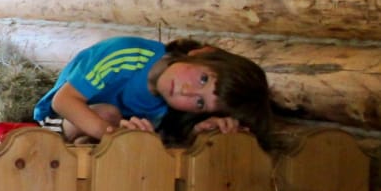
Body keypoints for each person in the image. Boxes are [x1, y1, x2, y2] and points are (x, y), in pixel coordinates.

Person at [33, 36, 272, 144]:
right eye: (202, 79)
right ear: (202, 53)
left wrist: (200, 132)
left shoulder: (167, 108)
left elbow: (163, 140)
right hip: (56, 120)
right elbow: (63, 101)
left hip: (111, 134)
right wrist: (114, 136)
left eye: (200, 103)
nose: (187, 92)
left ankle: (88, 147)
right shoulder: (126, 54)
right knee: (108, 113)